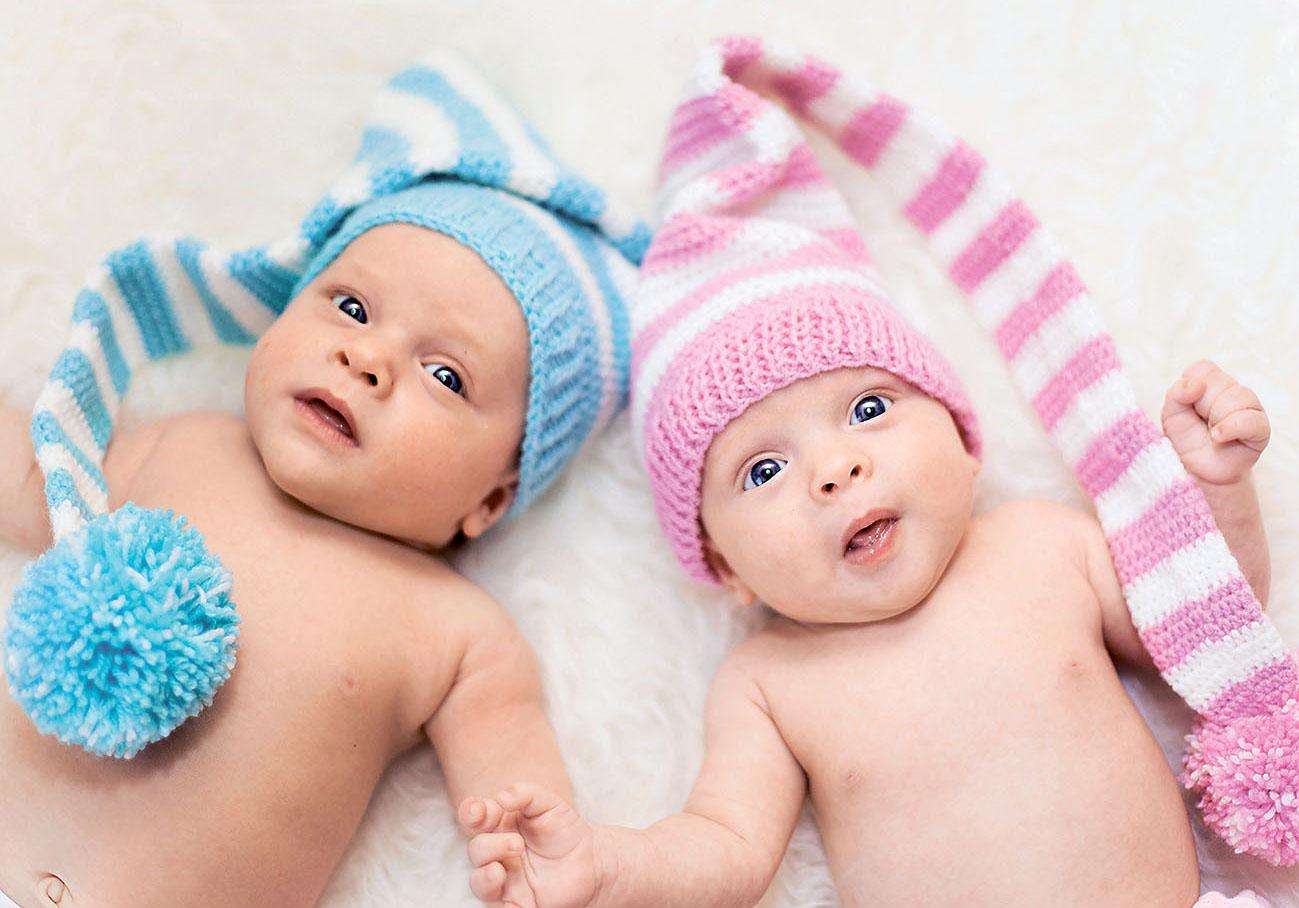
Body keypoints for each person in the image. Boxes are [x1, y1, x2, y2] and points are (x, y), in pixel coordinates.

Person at [459, 38, 1287, 907]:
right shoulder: (769, 683)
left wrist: (1216, 489)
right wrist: (608, 865)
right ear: (724, 564)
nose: (834, 469)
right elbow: (725, 850)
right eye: (762, 469)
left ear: (962, 438)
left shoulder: (1043, 545)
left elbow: (1202, 624)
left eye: (865, 409)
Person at [0, 49, 646, 908]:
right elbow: (32, 481)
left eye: (445, 375)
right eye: (350, 306)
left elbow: (520, 806)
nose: (367, 358)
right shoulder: (188, 445)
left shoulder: (458, 634)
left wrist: (543, 853)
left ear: (491, 498)